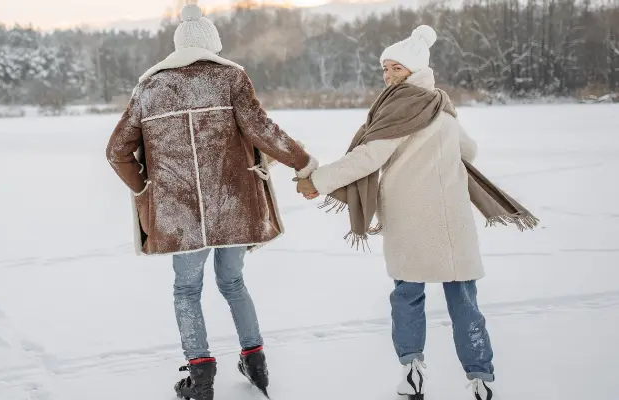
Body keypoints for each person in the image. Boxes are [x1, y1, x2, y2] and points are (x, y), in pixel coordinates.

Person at [299, 25, 538, 400]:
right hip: (452, 217)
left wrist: (320, 180)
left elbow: (368, 157)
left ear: (413, 70)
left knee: (408, 295)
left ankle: (412, 372)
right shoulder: (440, 105)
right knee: (463, 298)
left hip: (411, 218)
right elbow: (469, 151)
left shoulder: (400, 107)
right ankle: (481, 379)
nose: (388, 75)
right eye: (385, 69)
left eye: (396, 68)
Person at [105, 4, 317, 400]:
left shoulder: (149, 88)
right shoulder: (230, 78)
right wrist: (302, 161)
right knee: (233, 282)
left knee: (187, 291)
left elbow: (117, 151)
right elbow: (261, 130)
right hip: (232, 205)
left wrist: (145, 188)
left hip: (177, 214)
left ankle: (200, 375)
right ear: (213, 45)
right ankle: (256, 361)